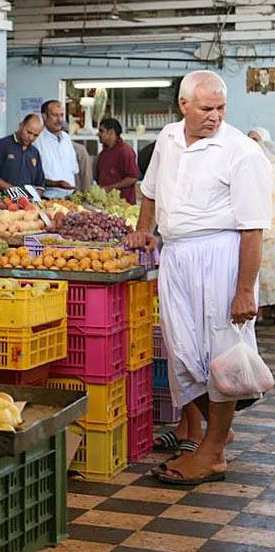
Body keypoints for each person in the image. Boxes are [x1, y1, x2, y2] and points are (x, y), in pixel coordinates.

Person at [126, 70, 272, 486]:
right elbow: (150, 190)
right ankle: (217, 435)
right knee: (184, 353)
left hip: (220, 256)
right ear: (184, 105)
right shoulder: (168, 139)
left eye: (221, 108)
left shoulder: (241, 151)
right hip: (176, 256)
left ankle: (212, 453)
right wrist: (145, 228)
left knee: (221, 355)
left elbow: (252, 228)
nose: (215, 116)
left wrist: (244, 291)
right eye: (207, 108)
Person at [247, 127, 275, 322]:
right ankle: (258, 312)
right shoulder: (246, 166)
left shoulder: (272, 166)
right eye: (249, 139)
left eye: (256, 139)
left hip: (271, 227)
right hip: (255, 226)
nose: (252, 143)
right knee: (256, 269)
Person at [0, 114, 45, 192]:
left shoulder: (35, 152)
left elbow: (40, 186)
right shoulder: (2, 145)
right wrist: (13, 190)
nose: (31, 137)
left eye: (35, 135)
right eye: (29, 132)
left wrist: (35, 196)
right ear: (21, 126)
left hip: (27, 199)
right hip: (2, 198)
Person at [33, 100, 78, 199]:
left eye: (61, 115)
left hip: (70, 199)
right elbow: (34, 177)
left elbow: (74, 170)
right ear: (44, 116)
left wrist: (78, 192)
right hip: (48, 199)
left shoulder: (66, 138)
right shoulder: (37, 141)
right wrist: (57, 184)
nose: (60, 120)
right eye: (55, 115)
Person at [95, 118, 140, 204]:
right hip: (105, 204)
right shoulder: (103, 154)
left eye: (101, 131)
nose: (98, 134)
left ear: (111, 132)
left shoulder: (125, 151)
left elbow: (133, 178)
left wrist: (109, 188)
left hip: (124, 205)